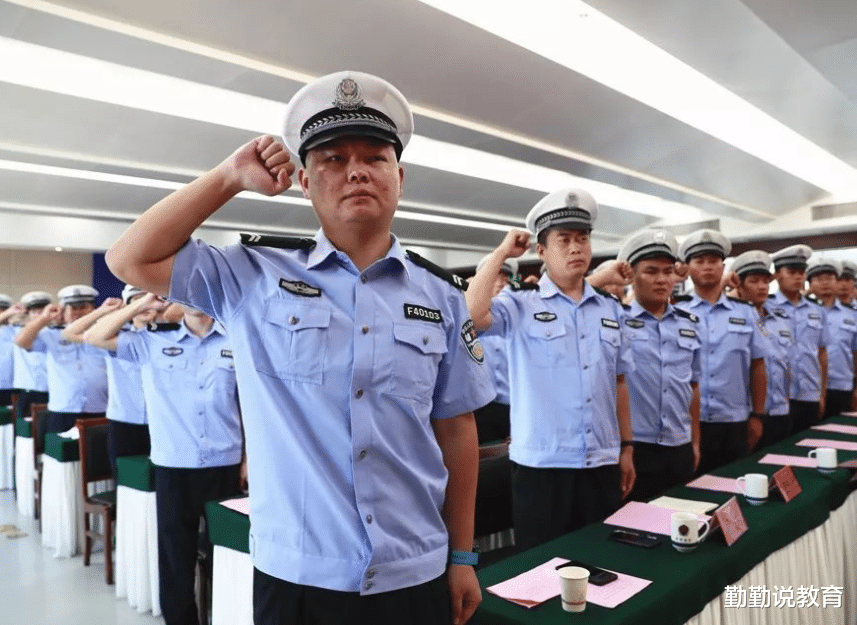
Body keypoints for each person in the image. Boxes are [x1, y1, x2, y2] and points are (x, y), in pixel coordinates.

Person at [104, 71, 494, 625]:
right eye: (332, 158)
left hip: (416, 569)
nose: (356, 169)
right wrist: (228, 177)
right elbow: (130, 260)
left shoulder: (443, 297)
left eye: (374, 157)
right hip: (300, 578)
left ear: (399, 177)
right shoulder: (253, 277)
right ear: (305, 183)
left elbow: (456, 429)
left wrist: (462, 555)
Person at [466, 188, 635, 551]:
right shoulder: (520, 305)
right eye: (564, 240)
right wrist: (500, 253)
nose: (576, 247)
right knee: (543, 573)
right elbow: (471, 316)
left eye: (583, 238)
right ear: (541, 251)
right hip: (542, 469)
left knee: (604, 565)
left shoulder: (609, 309)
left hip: (600, 463)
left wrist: (626, 447)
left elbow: (618, 382)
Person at [86, 293, 243, 625]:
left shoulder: (237, 340)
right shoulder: (151, 342)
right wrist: (139, 304)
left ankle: (222, 614)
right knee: (175, 553)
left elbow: (250, 407)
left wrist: (248, 460)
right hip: (175, 464)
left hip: (224, 462)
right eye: (188, 292)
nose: (197, 298)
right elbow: (94, 336)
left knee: (223, 552)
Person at [617, 230, 701, 501]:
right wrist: (623, 447)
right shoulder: (617, 321)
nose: (662, 279)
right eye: (651, 271)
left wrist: (695, 442)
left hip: (679, 443)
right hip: (636, 446)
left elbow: (693, 386)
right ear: (631, 275)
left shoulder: (689, 323)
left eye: (668, 271)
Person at [674, 230, 767, 474]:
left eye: (713, 261)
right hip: (688, 423)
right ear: (687, 268)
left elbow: (758, 365)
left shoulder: (745, 312)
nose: (707, 267)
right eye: (699, 261)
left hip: (734, 422)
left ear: (723, 267)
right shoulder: (676, 311)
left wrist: (757, 415)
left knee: (733, 488)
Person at [61, 285, 154, 479]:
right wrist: (103, 311)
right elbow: (70, 333)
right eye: (136, 300)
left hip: (161, 422)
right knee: (124, 480)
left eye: (148, 298)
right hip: (124, 421)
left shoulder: (169, 337)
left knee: (156, 482)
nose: (144, 304)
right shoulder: (111, 337)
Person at [14, 285, 107, 433]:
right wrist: (44, 318)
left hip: (99, 407)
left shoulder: (104, 334)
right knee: (59, 454)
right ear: (63, 311)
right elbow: (21, 341)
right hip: (63, 409)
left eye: (83, 307)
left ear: (94, 308)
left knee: (96, 455)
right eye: (73, 308)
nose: (78, 312)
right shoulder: (52, 335)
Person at [733, 251, 793, 447]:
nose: (762, 287)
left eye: (766, 282)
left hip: (781, 410)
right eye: (754, 281)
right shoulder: (735, 321)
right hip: (750, 414)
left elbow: (786, 364)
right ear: (739, 285)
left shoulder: (780, 320)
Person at [769, 245, 829, 433]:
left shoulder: (816, 309)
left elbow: (821, 354)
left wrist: (822, 394)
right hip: (777, 397)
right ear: (777, 274)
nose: (798, 277)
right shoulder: (766, 306)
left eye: (801, 272)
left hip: (808, 394)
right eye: (791, 272)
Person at [471, 255, 515, 444]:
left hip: (513, 404)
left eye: (505, 278)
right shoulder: (468, 313)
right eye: (495, 276)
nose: (500, 282)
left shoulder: (517, 316)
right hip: (480, 407)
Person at [805, 258, 857, 419]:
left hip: (841, 386)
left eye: (830, 278)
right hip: (808, 388)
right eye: (819, 279)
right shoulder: (800, 312)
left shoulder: (852, 314)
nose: (825, 283)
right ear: (810, 284)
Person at [11, 292, 53, 421]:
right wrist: (12, 313)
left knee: (45, 433)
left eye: (42, 311)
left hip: (50, 392)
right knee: (24, 436)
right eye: (34, 311)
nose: (38, 315)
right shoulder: (18, 331)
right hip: (27, 391)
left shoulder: (55, 333)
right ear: (28, 314)